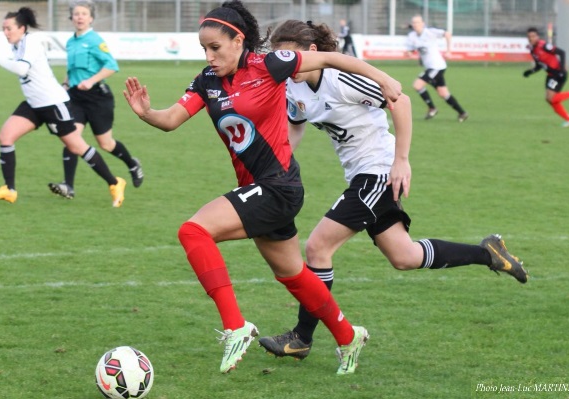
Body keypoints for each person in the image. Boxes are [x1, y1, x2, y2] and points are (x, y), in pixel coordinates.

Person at [123, 0, 402, 375]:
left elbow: (335, 60)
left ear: (238, 40)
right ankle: (348, 335)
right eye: (204, 49)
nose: (209, 56)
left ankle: (236, 327)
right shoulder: (207, 82)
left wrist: (382, 78)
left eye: (215, 47)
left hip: (278, 186)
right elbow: (172, 119)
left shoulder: (270, 64)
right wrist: (147, 113)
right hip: (261, 189)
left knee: (193, 231)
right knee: (293, 275)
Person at [258, 19, 528, 360]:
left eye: (292, 56)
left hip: (379, 172)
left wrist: (402, 160)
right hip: (359, 175)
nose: (288, 65)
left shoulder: (342, 78)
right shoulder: (293, 87)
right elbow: (294, 128)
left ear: (313, 52)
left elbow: (400, 101)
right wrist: (276, 163)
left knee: (318, 247)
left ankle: (301, 338)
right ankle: (489, 254)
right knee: (405, 257)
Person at [0, 7, 126, 207]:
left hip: (52, 103)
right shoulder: (17, 46)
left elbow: (22, 68)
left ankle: (114, 183)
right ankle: (9, 190)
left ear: (22, 28)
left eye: (9, 28)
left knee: (76, 146)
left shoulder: (30, 43)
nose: (5, 32)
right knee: (6, 136)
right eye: (3, 28)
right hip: (34, 103)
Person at [48, 0, 143, 200]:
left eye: (84, 13)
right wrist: (65, 84)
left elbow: (111, 66)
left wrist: (91, 81)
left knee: (106, 144)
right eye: (76, 14)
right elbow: (71, 69)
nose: (80, 17)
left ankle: (132, 164)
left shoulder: (94, 40)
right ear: (71, 18)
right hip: (75, 97)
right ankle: (68, 186)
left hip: (97, 98)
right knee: (72, 139)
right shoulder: (70, 41)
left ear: (91, 18)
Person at [405, 15, 468, 122]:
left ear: (423, 23)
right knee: (443, 93)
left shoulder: (430, 32)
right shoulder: (412, 36)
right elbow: (410, 50)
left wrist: (449, 51)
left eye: (417, 22)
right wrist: (410, 53)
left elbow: (447, 34)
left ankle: (432, 108)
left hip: (436, 66)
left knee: (417, 85)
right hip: (432, 67)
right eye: (414, 23)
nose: (415, 25)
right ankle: (462, 113)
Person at [523, 27, 569, 128]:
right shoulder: (532, 50)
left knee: (551, 98)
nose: (531, 38)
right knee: (550, 100)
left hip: (558, 74)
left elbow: (562, 52)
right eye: (529, 37)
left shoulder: (545, 46)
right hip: (550, 75)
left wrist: (562, 69)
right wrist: (530, 71)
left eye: (533, 36)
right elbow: (539, 65)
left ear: (537, 37)